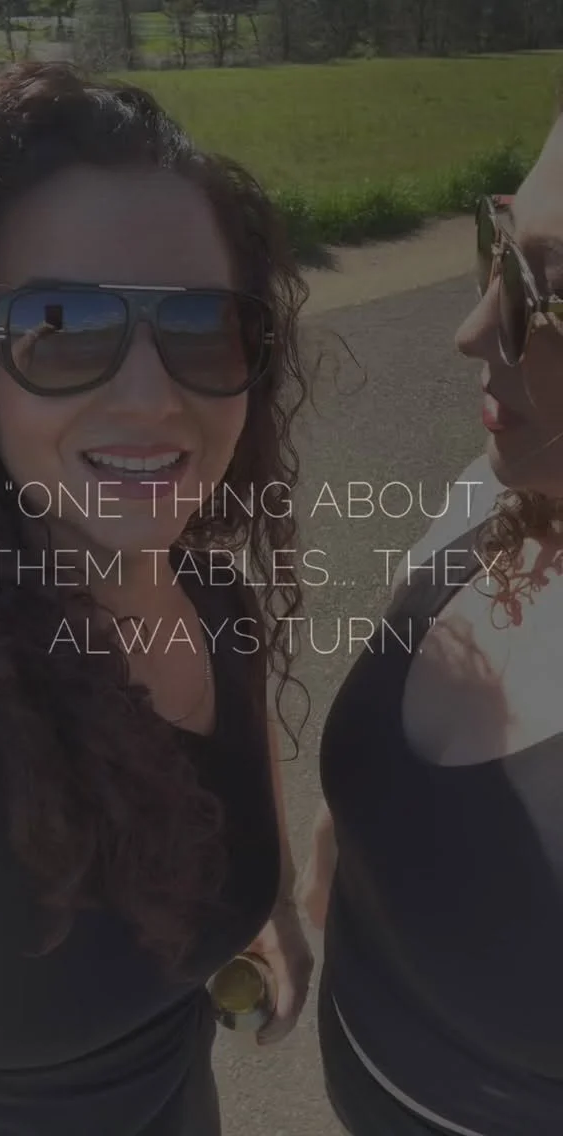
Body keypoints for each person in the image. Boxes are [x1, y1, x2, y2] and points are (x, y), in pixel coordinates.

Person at [0, 62, 313, 1135]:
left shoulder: (214, 601)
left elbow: (234, 783)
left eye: (204, 329)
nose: (152, 398)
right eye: (59, 325)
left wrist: (268, 905)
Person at [303, 109, 563, 1136]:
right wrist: (332, 856)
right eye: (497, 244)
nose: (473, 328)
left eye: (547, 288)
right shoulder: (494, 494)